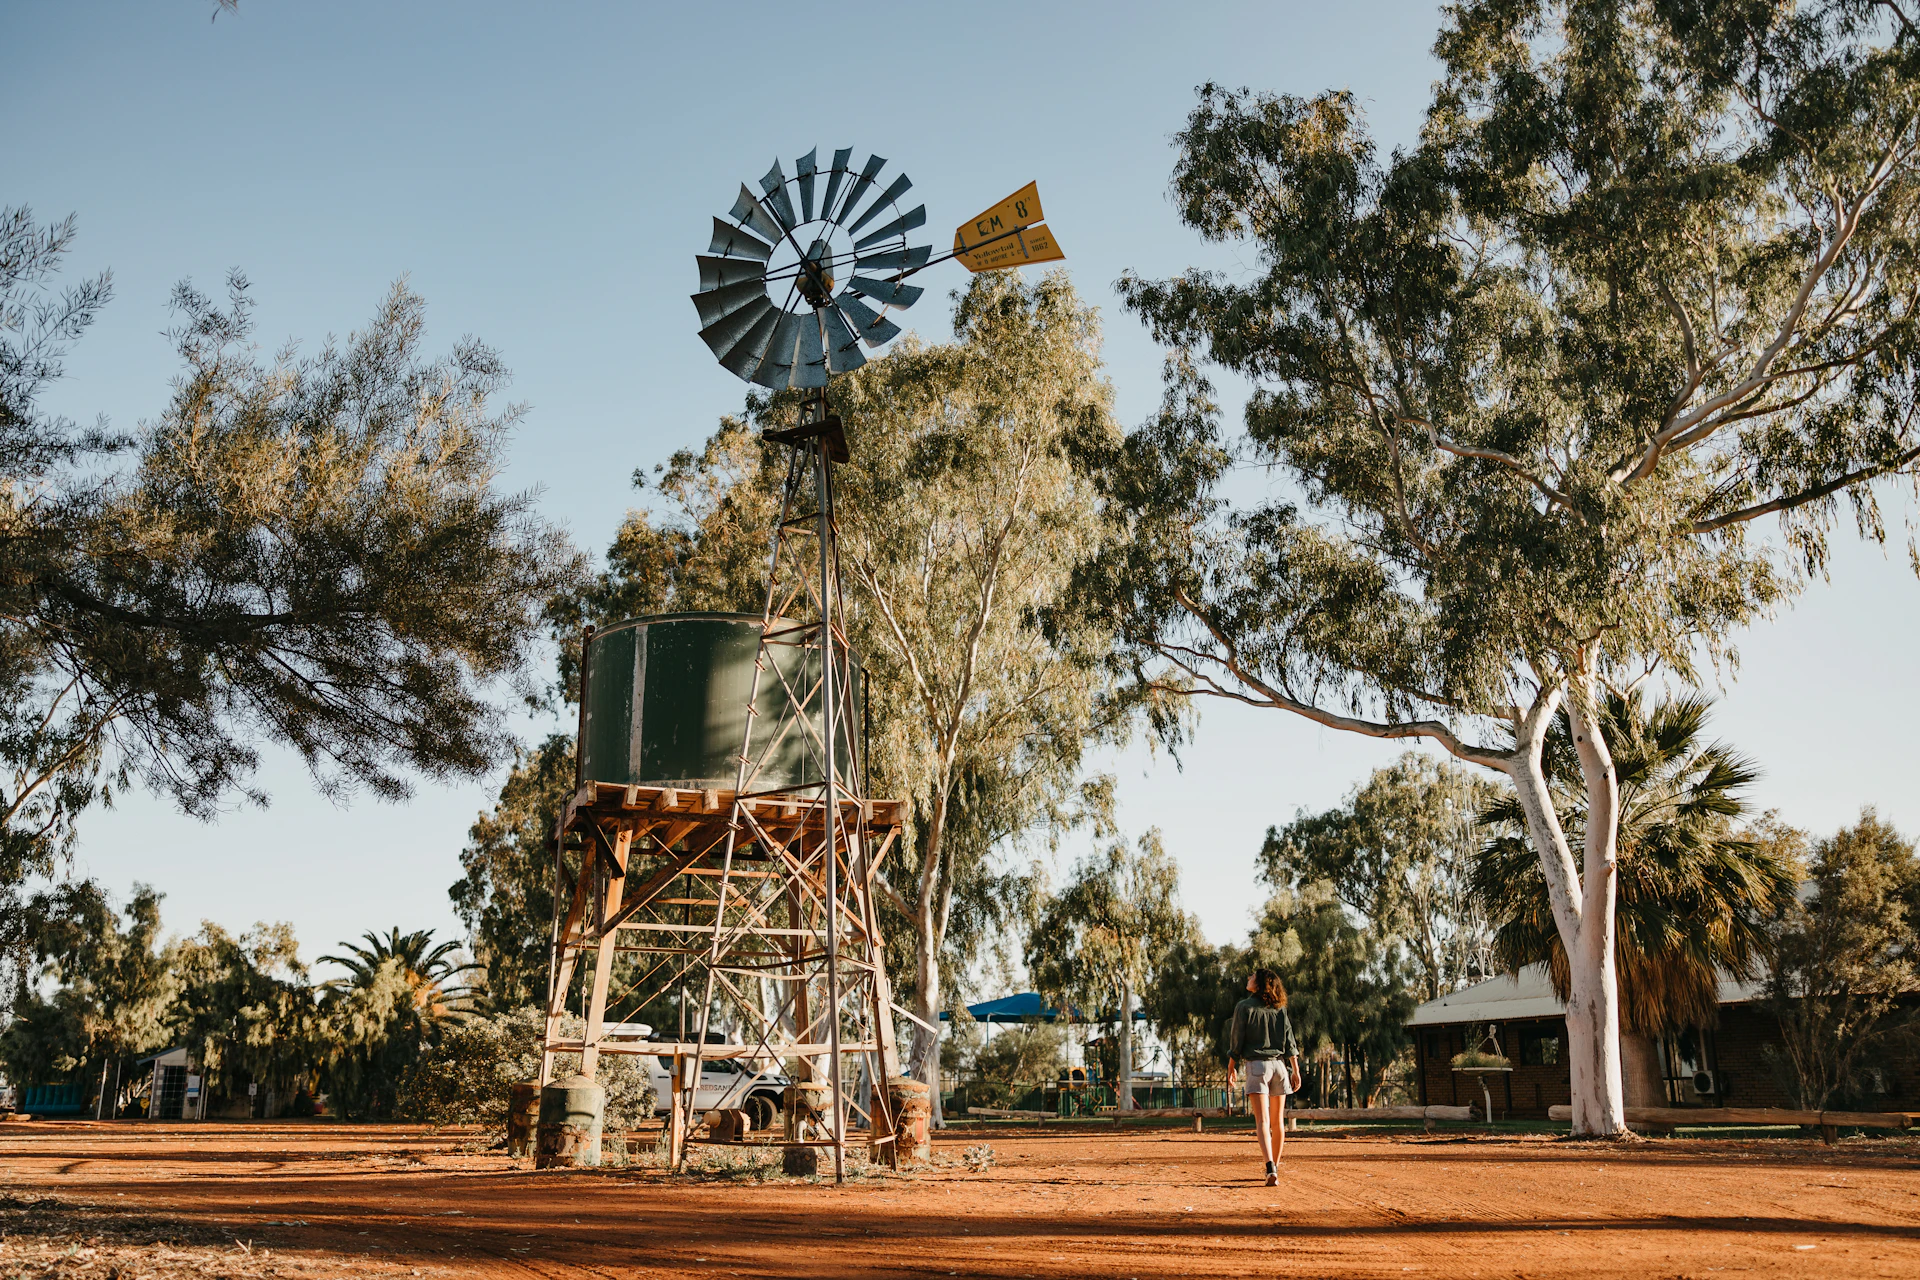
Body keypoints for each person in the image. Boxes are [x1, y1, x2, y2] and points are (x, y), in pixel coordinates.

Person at [1225, 967, 1302, 1186]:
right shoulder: (1280, 1009)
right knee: (1278, 1122)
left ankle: (1269, 1167)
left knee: (1262, 1121)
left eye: (1252, 977)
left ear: (1259, 984)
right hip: (1280, 1067)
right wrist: (1295, 1070)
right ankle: (1273, 1168)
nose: (1248, 978)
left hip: (1257, 1066)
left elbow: (1237, 1041)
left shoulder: (1243, 1007)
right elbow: (1290, 1042)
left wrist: (1231, 1067)